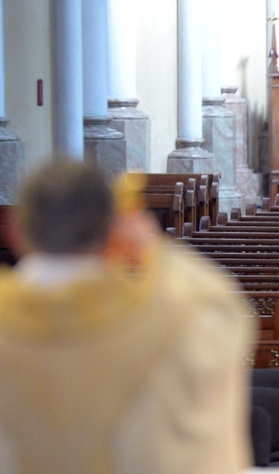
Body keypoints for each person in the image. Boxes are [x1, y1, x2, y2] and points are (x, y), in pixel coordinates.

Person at [0, 161, 254, 473]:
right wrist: (152, 247)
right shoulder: (173, 323)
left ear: (13, 229)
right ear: (112, 232)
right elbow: (217, 304)